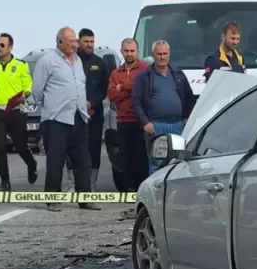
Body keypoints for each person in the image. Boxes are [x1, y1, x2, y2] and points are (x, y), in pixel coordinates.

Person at [33, 27, 98, 213]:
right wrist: (53, 105)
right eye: (71, 41)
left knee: (83, 163)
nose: (75, 44)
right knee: (56, 162)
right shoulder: (47, 61)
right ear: (59, 42)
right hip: (56, 120)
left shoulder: (78, 61)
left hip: (78, 117)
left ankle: (85, 199)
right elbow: (37, 91)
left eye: (76, 41)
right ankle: (53, 199)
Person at [0, 33, 37, 190]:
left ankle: (31, 164)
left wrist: (25, 94)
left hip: (16, 111)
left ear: (10, 47)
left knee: (20, 146)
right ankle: (5, 181)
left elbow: (28, 84)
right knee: (0, 147)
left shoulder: (21, 65)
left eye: (2, 45)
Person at [133, 41, 195, 174]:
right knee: (157, 164)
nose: (162, 57)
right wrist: (145, 122)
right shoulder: (145, 76)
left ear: (169, 54)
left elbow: (189, 97)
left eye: (165, 54)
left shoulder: (178, 74)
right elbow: (136, 101)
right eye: (159, 54)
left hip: (178, 126)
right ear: (153, 55)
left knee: (178, 163)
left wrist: (187, 118)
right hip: (156, 126)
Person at [106, 38, 150, 192]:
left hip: (142, 120)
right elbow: (112, 95)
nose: (129, 54)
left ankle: (142, 190)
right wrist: (130, 90)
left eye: (132, 51)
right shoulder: (115, 73)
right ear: (121, 51)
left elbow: (143, 88)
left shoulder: (145, 68)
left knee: (142, 157)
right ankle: (130, 190)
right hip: (123, 121)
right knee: (126, 158)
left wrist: (123, 87)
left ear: (137, 51)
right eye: (126, 51)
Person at [77, 28, 111, 187]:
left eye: (92, 41)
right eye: (86, 41)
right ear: (79, 42)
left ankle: (92, 185)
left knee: (94, 148)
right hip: (74, 113)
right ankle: (74, 184)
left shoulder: (99, 62)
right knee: (75, 149)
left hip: (94, 113)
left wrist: (92, 103)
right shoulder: (72, 60)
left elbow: (104, 87)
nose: (89, 44)